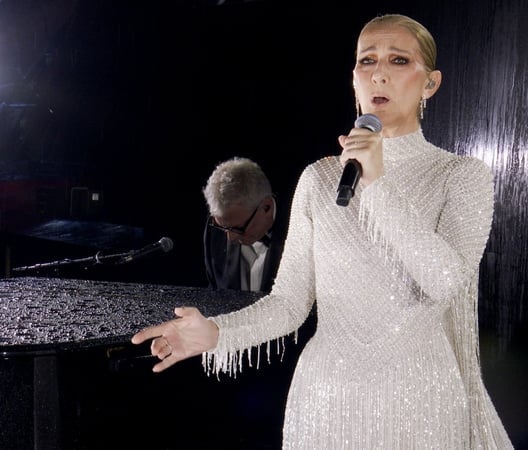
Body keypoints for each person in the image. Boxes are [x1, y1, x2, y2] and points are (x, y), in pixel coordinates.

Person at [131, 13, 514, 449]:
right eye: (367, 60)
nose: (379, 74)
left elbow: (445, 281)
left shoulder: (460, 175)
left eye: (399, 60)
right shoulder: (319, 178)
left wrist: (377, 184)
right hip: (325, 399)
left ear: (430, 83)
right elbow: (289, 303)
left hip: (419, 401)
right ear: (353, 79)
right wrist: (216, 334)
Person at [202, 157, 283, 294]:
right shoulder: (215, 232)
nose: (230, 237)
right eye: (223, 227)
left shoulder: (302, 232)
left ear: (266, 207)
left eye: (238, 228)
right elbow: (216, 295)